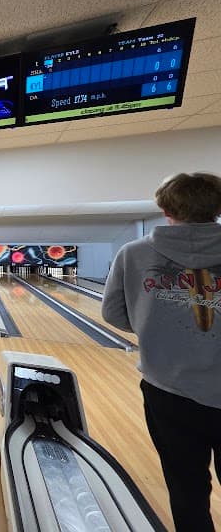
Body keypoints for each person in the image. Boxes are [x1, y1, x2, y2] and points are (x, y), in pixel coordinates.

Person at [102, 172, 221, 531]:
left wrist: (155, 329)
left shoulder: (134, 253)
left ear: (166, 209)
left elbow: (113, 313)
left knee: (187, 489)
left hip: (169, 393)